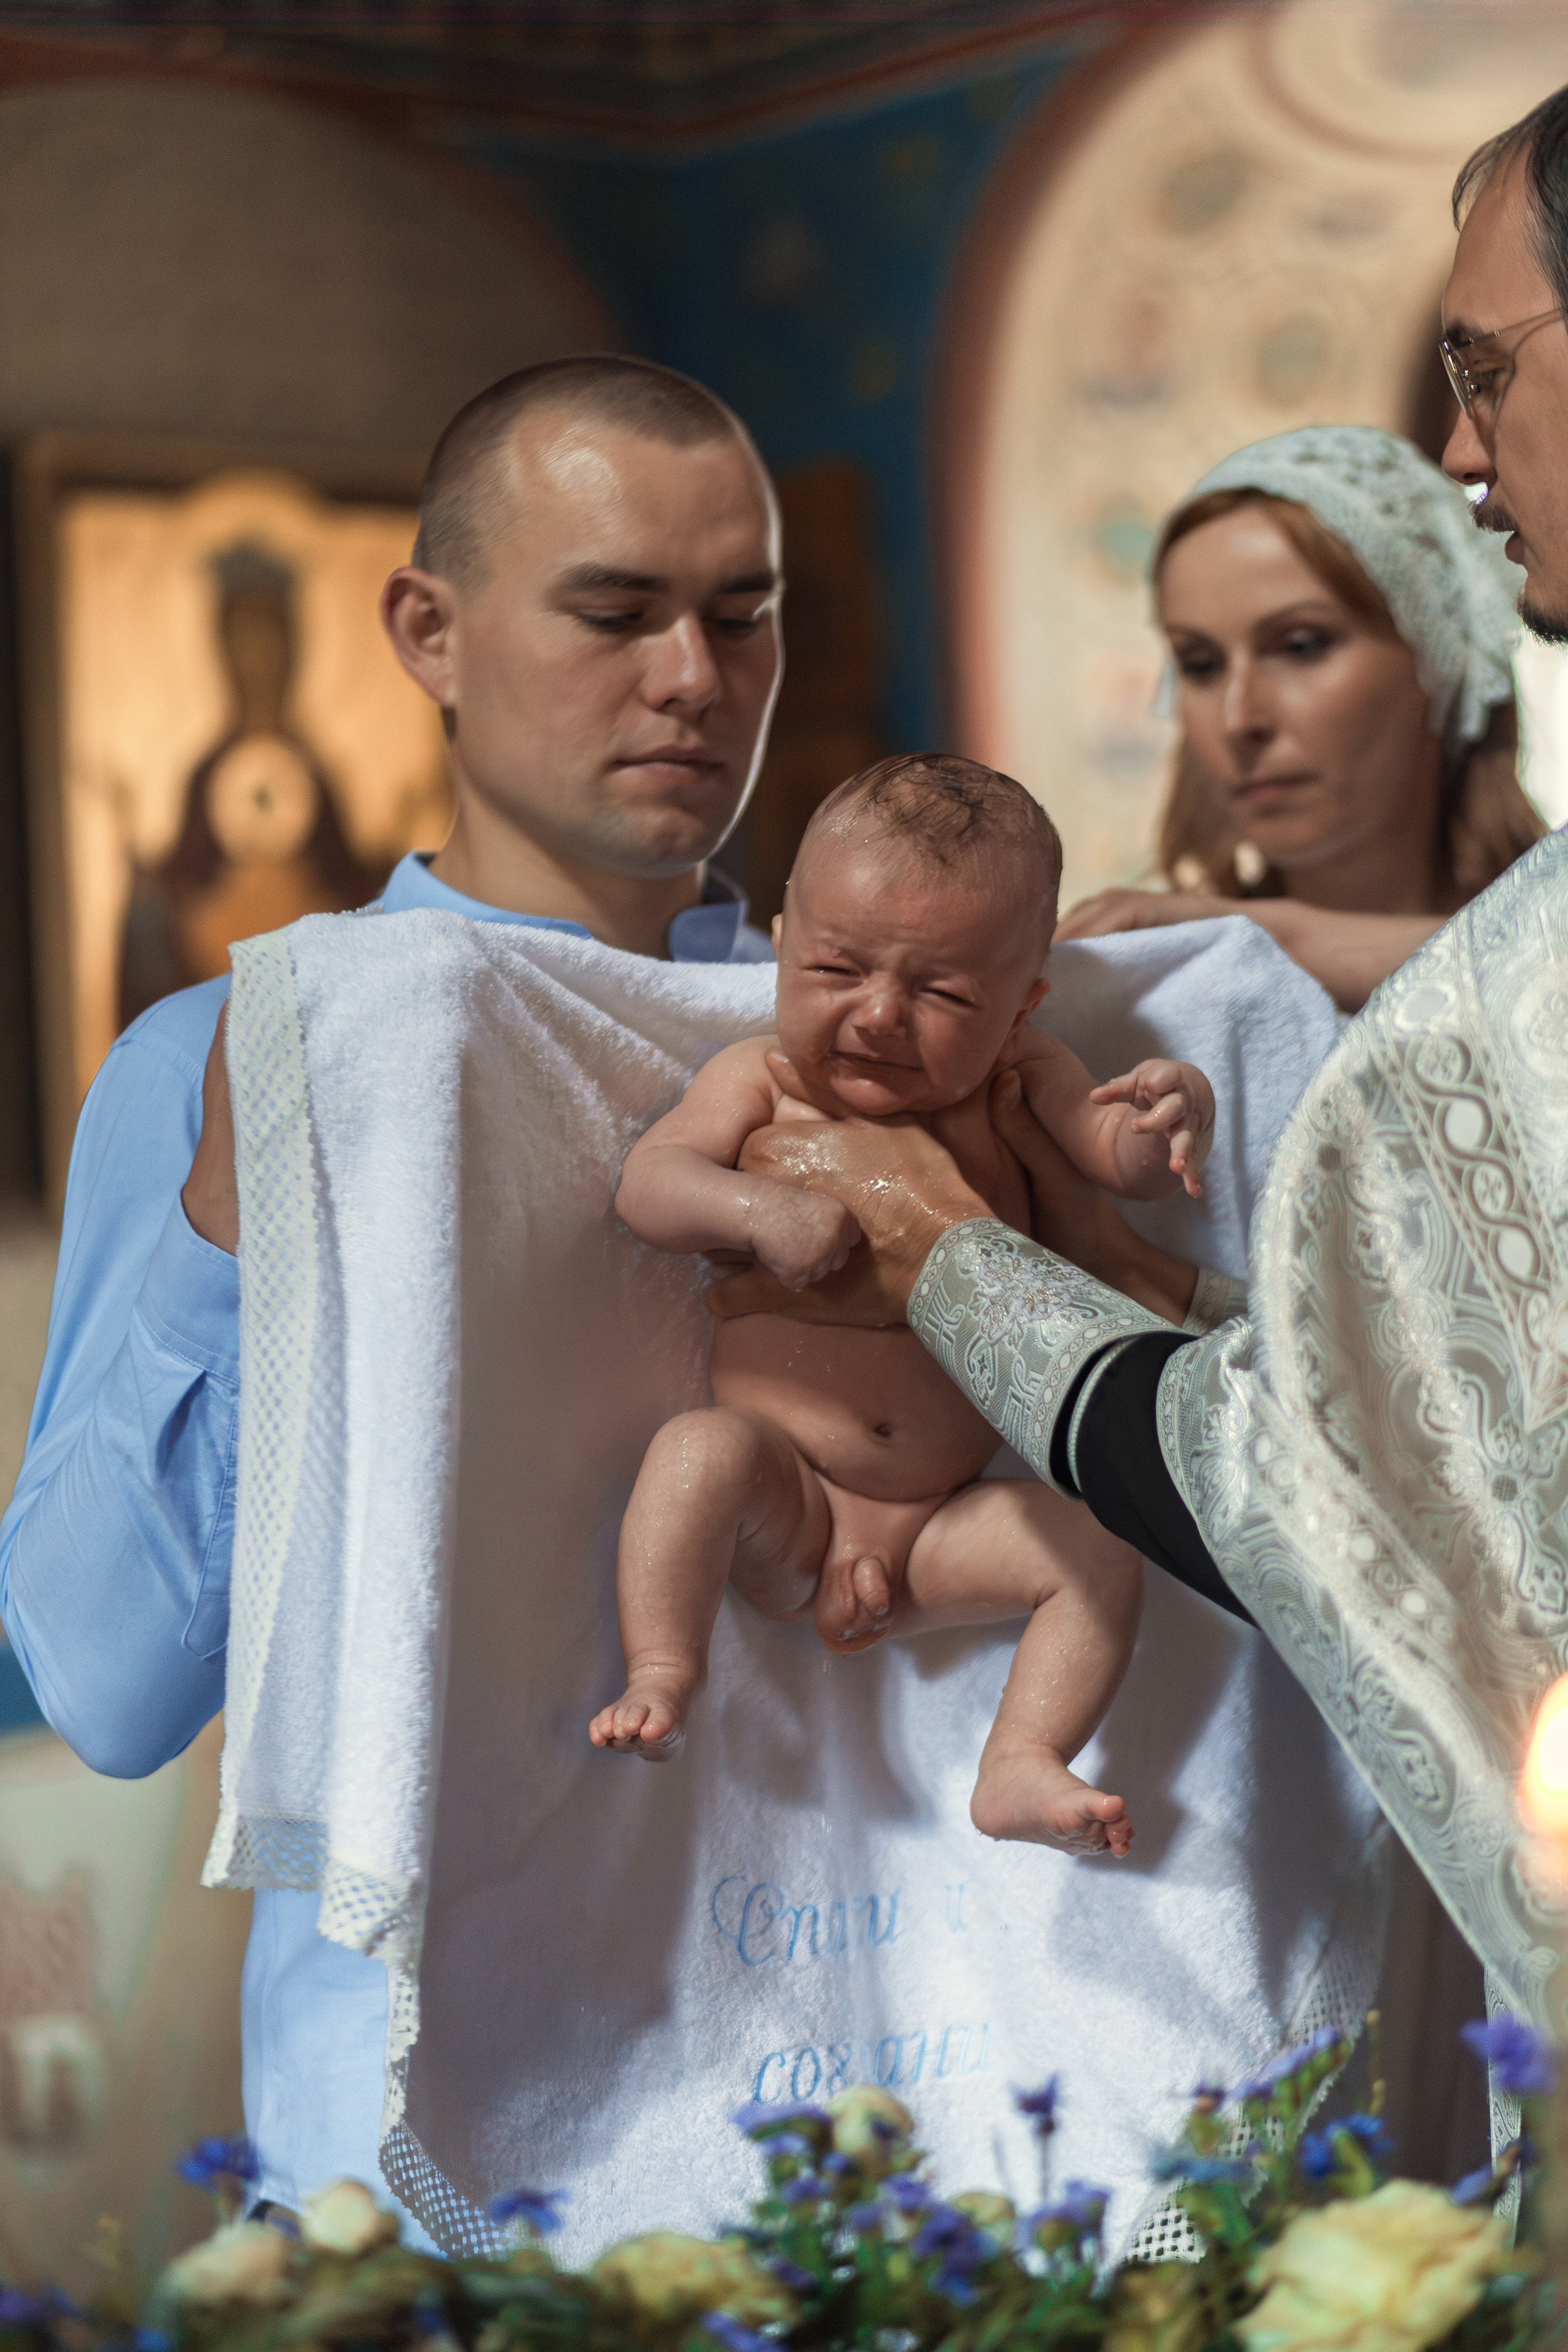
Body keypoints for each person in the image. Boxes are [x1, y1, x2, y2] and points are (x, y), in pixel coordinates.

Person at [701, 79, 1568, 2041]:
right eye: (1194, 659)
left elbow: (1333, 1484)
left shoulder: (1478, 991)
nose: (1456, 445)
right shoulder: (1145, 979)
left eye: (1477, 364)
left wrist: (945, 1252)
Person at [0, 354, 786, 2223]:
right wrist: (228, 1205)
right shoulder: (226, 1055)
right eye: (614, 610)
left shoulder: (863, 1045)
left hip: (846, 2108)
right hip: (423, 2161)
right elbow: (103, 1681)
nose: (692, 678)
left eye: (741, 615)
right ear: (427, 628)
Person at [595, 753, 1213, 1858]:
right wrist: (752, 1212)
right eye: (838, 969)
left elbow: (1108, 1155)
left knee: (1099, 1550)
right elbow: (650, 1184)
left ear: (1023, 1001)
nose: (880, 1014)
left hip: (938, 1529)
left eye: (943, 994)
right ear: (781, 945)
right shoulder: (762, 1080)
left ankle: (1020, 1759)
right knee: (695, 1453)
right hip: (785, 1495)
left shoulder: (1025, 1075)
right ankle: (661, 1669)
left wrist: (1167, 1109)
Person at [1057, 427, 1541, 1012]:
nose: (1239, 719)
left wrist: (1275, 939)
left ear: (1440, 654)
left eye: (1301, 645)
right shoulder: (1147, 1005)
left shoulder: (1547, 945)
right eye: (1200, 664)